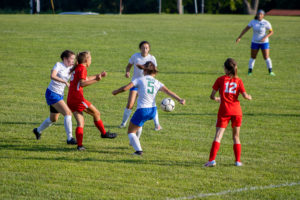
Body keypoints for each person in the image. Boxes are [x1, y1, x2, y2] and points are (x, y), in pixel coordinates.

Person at [112, 61, 185, 155]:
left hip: (142, 110)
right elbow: (168, 91)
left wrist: (116, 92)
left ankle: (138, 151)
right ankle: (135, 141)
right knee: (139, 125)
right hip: (153, 111)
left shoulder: (140, 79)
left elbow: (125, 88)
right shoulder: (157, 82)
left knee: (130, 132)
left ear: (144, 70)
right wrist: (179, 99)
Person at [204, 58, 252, 167]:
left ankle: (211, 160)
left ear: (226, 69)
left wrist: (216, 98)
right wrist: (249, 97)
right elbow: (245, 96)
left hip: (224, 111)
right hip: (237, 111)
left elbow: (212, 96)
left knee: (218, 136)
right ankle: (238, 161)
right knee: (236, 137)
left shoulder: (220, 79)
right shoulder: (239, 81)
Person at [67, 51, 117, 151]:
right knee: (97, 113)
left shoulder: (77, 68)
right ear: (86, 60)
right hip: (78, 99)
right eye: (90, 59)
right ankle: (103, 133)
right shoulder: (82, 68)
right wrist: (96, 80)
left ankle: (80, 146)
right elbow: (82, 83)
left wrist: (98, 76)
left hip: (70, 99)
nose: (91, 61)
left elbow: (85, 78)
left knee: (81, 123)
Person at [33, 50, 77, 145]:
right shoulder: (59, 65)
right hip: (52, 93)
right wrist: (64, 81)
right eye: (71, 59)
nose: (73, 61)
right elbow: (52, 76)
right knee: (68, 113)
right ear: (65, 59)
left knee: (53, 119)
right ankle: (70, 138)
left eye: (74, 59)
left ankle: (37, 130)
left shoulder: (71, 68)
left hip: (59, 94)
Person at [119, 41, 162, 131]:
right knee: (130, 104)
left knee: (151, 103)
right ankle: (123, 123)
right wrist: (127, 72)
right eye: (143, 47)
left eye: (146, 48)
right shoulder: (135, 56)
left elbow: (155, 71)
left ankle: (157, 125)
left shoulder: (152, 58)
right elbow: (128, 66)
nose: (145, 49)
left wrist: (143, 67)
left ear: (149, 49)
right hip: (135, 83)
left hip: (146, 85)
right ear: (140, 48)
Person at [236, 9, 275, 76]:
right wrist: (239, 37)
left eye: (261, 14)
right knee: (253, 57)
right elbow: (245, 29)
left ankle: (270, 71)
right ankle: (250, 71)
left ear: (263, 15)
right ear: (256, 15)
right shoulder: (253, 22)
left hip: (264, 43)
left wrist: (265, 38)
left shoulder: (266, 22)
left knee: (266, 57)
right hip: (255, 42)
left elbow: (271, 32)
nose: (259, 15)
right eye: (258, 14)